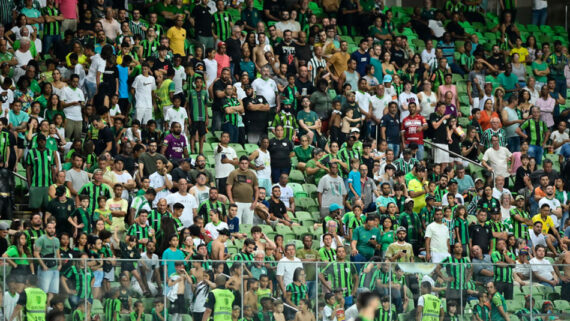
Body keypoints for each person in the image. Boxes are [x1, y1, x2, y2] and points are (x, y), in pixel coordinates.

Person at [227, 155, 259, 225]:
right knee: (237, 223)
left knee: (248, 225)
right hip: (237, 202)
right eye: (242, 163)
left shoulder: (252, 174)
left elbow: (256, 189)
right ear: (239, 164)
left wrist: (255, 202)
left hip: (249, 203)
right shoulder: (233, 173)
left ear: (248, 164)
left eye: (246, 163)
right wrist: (231, 200)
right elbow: (228, 188)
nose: (244, 165)